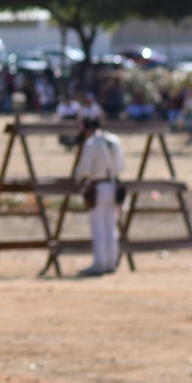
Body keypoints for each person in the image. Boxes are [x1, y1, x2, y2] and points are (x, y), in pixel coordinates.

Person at [72, 116, 125, 277]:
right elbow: (122, 166)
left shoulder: (93, 143)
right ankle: (111, 261)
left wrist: (78, 178)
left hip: (98, 186)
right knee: (110, 224)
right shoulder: (114, 140)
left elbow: (84, 169)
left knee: (98, 226)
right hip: (114, 184)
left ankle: (100, 262)